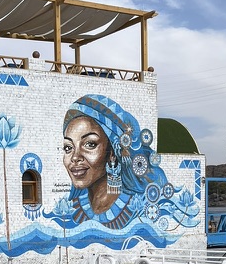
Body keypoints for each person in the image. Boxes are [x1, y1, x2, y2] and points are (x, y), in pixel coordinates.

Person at [61, 94, 165, 228]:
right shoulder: (70, 207)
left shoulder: (139, 205)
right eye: (68, 147)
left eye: (90, 144)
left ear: (112, 153)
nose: (75, 157)